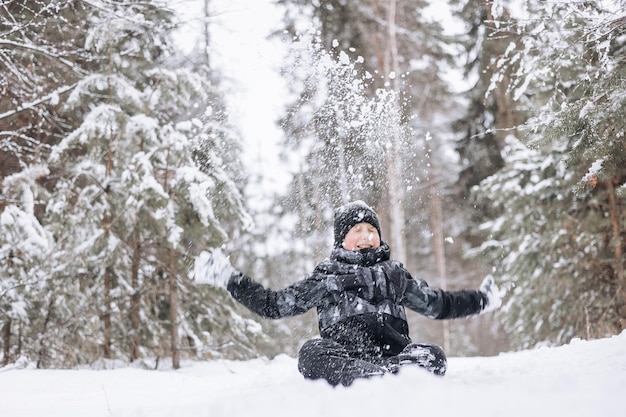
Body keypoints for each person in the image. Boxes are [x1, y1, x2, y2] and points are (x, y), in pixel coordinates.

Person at [196, 200, 502, 386]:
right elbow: (274, 305)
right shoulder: (326, 277)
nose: (367, 237)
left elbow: (438, 305)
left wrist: (482, 300)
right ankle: (369, 376)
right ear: (342, 240)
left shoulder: (394, 276)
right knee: (311, 354)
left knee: (433, 355)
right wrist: (229, 277)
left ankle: (384, 374)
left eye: (372, 231)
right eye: (357, 231)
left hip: (395, 357)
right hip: (345, 361)